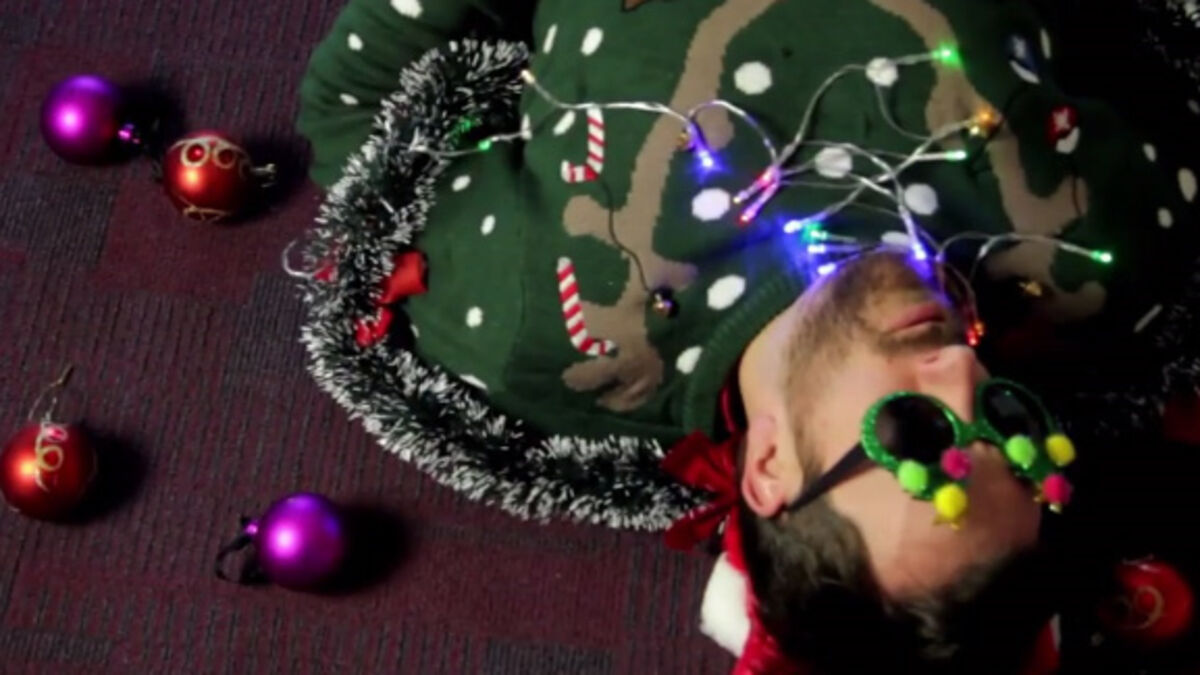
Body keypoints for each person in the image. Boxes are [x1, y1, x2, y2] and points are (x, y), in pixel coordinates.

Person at [293, 0, 1200, 671]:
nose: (964, 373)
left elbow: (356, 113)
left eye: (918, 437)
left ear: (768, 467)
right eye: (1012, 425)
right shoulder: (1097, 259)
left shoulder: (550, 325)